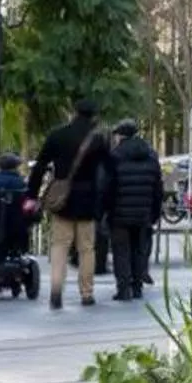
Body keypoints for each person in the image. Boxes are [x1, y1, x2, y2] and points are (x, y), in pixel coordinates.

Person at [27, 99, 113, 310]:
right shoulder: (99, 139)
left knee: (60, 246)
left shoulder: (58, 135)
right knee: (86, 248)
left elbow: (40, 165)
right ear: (94, 116)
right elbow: (109, 171)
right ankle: (87, 293)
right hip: (88, 200)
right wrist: (105, 201)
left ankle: (56, 291)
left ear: (74, 112)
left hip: (62, 200)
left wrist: (32, 194)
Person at [105, 119, 164, 301]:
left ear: (120, 136)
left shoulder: (114, 157)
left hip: (119, 215)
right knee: (139, 250)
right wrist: (154, 213)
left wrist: (106, 211)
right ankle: (137, 287)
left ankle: (123, 289)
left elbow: (107, 187)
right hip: (143, 214)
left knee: (121, 251)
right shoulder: (151, 156)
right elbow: (158, 189)